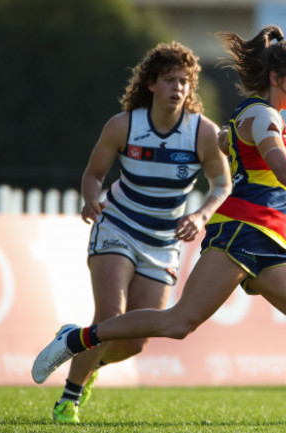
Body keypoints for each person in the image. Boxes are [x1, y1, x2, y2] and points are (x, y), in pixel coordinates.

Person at [33, 25, 286, 432]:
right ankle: (77, 340)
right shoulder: (261, 115)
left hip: (267, 239)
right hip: (241, 232)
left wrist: (226, 144)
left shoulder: (259, 118)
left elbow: (231, 152)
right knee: (179, 323)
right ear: (275, 78)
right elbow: (281, 168)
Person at [47, 41, 232, 424]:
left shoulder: (202, 133)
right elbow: (94, 174)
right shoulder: (124, 125)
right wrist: (90, 197)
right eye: (169, 79)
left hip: (163, 242)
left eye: (184, 81)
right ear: (151, 84)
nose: (177, 88)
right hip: (117, 226)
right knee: (111, 315)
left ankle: (79, 343)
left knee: (133, 341)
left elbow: (222, 184)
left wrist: (200, 215)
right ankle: (69, 398)